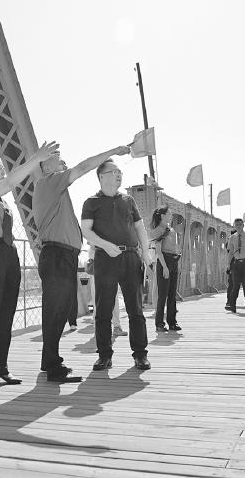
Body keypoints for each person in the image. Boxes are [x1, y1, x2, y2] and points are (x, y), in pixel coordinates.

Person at [33, 143, 131, 383]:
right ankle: (53, 366)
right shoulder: (49, 181)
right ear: (46, 166)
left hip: (62, 255)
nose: (63, 161)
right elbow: (84, 166)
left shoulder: (55, 189)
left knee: (60, 309)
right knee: (56, 310)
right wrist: (112, 151)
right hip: (57, 255)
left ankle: (49, 361)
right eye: (57, 158)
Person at [0, 142, 59, 391]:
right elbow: (9, 183)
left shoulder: (2, 202)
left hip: (8, 254)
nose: (2, 171)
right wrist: (35, 159)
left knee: (6, 314)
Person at [82, 158, 154, 371]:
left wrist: (146, 255)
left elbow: (140, 228)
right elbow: (86, 231)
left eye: (120, 172)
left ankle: (140, 354)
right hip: (105, 259)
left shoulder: (128, 200)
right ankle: (104, 355)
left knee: (135, 309)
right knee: (103, 310)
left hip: (130, 257)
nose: (119, 174)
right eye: (114, 172)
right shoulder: (91, 202)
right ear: (101, 176)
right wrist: (105, 245)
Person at [149, 206, 181, 332]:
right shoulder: (158, 230)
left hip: (173, 260)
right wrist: (165, 267)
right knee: (162, 294)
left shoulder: (171, 230)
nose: (171, 216)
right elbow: (158, 251)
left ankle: (172, 322)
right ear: (162, 216)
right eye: (169, 214)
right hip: (164, 261)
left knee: (172, 294)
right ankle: (159, 324)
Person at [86, 245, 127, 336]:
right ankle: (99, 329)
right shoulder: (93, 243)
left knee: (114, 299)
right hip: (98, 268)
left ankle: (116, 327)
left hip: (111, 268)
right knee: (98, 300)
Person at [225, 219, 245, 313]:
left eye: (240, 224)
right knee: (235, 285)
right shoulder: (232, 238)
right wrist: (228, 264)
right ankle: (232, 306)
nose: (238, 226)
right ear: (234, 226)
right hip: (236, 263)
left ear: (243, 225)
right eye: (236, 225)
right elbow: (230, 252)